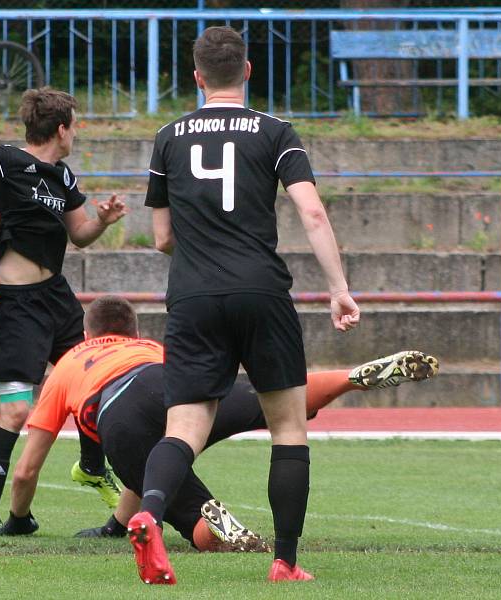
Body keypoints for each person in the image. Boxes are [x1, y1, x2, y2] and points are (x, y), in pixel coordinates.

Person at [130, 26, 362, 584]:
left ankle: (150, 512)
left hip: (193, 294)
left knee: (184, 426)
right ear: (249, 71)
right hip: (261, 290)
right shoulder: (275, 131)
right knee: (287, 426)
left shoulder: (170, 136)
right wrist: (338, 289)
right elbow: (312, 213)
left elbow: (161, 237)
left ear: (197, 77)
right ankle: (284, 561)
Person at [5, 296, 438, 549]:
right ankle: (348, 378)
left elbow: (26, 471)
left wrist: (18, 519)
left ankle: (212, 524)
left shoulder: (68, 364)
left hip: (116, 409)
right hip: (169, 381)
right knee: (277, 402)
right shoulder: (148, 347)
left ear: (87, 335)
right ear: (133, 332)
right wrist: (114, 526)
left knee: (170, 486)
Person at [0, 79, 128, 534]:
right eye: (75, 127)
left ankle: (91, 466)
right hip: (15, 305)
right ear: (61, 129)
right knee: (17, 412)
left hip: (57, 299)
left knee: (94, 386)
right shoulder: (4, 161)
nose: (76, 134)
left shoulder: (63, 177)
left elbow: (79, 235)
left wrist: (100, 220)